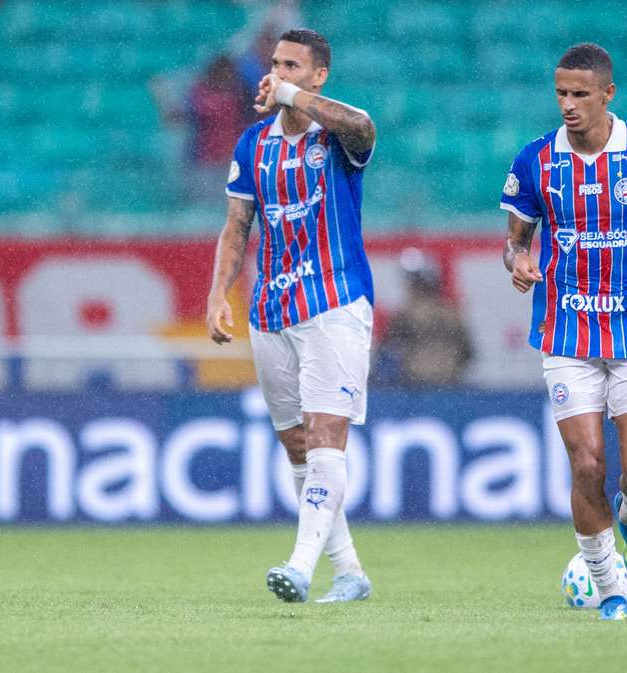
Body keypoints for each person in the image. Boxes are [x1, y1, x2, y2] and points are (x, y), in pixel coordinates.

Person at [500, 43, 627, 620]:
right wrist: (517, 260)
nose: (568, 104)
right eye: (561, 93)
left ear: (607, 94)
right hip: (566, 331)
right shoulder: (535, 160)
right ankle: (611, 590)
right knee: (586, 464)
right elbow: (515, 238)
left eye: (580, 94)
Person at [206, 28, 377, 604]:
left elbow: (364, 127)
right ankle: (349, 573)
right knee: (298, 445)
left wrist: (289, 97)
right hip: (271, 307)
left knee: (327, 434)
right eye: (274, 64)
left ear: (318, 76)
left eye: (292, 66)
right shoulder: (253, 144)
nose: (277, 72)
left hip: (335, 300)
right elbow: (237, 227)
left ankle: (300, 566)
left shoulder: (339, 134)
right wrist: (217, 295)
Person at [375, 247, 474, 387]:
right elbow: (469, 354)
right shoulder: (452, 314)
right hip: (449, 384)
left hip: (417, 386)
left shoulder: (407, 314)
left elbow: (386, 351)